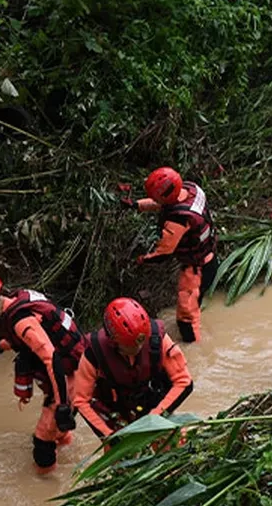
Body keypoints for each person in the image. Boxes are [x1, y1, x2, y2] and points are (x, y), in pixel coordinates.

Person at [0, 270, 85, 474]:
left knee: (42, 443)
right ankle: (69, 453)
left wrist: (62, 406)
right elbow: (30, 337)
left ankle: (46, 487)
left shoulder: (19, 319)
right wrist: (0, 347)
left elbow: (51, 357)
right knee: (57, 432)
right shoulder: (19, 298)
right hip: (75, 371)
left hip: (68, 380)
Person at [71, 297, 193, 441]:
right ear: (113, 342)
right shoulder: (94, 354)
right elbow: (81, 401)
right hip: (117, 417)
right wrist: (109, 435)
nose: (139, 348)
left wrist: (155, 417)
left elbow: (184, 382)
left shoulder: (156, 339)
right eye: (131, 346)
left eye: (141, 343)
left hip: (156, 408)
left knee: (177, 447)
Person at [119, 167, 218, 343]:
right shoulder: (190, 189)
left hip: (196, 271)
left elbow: (163, 254)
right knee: (194, 303)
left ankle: (194, 348)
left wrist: (141, 260)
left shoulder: (178, 220)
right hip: (209, 258)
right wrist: (137, 205)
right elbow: (165, 202)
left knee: (186, 316)